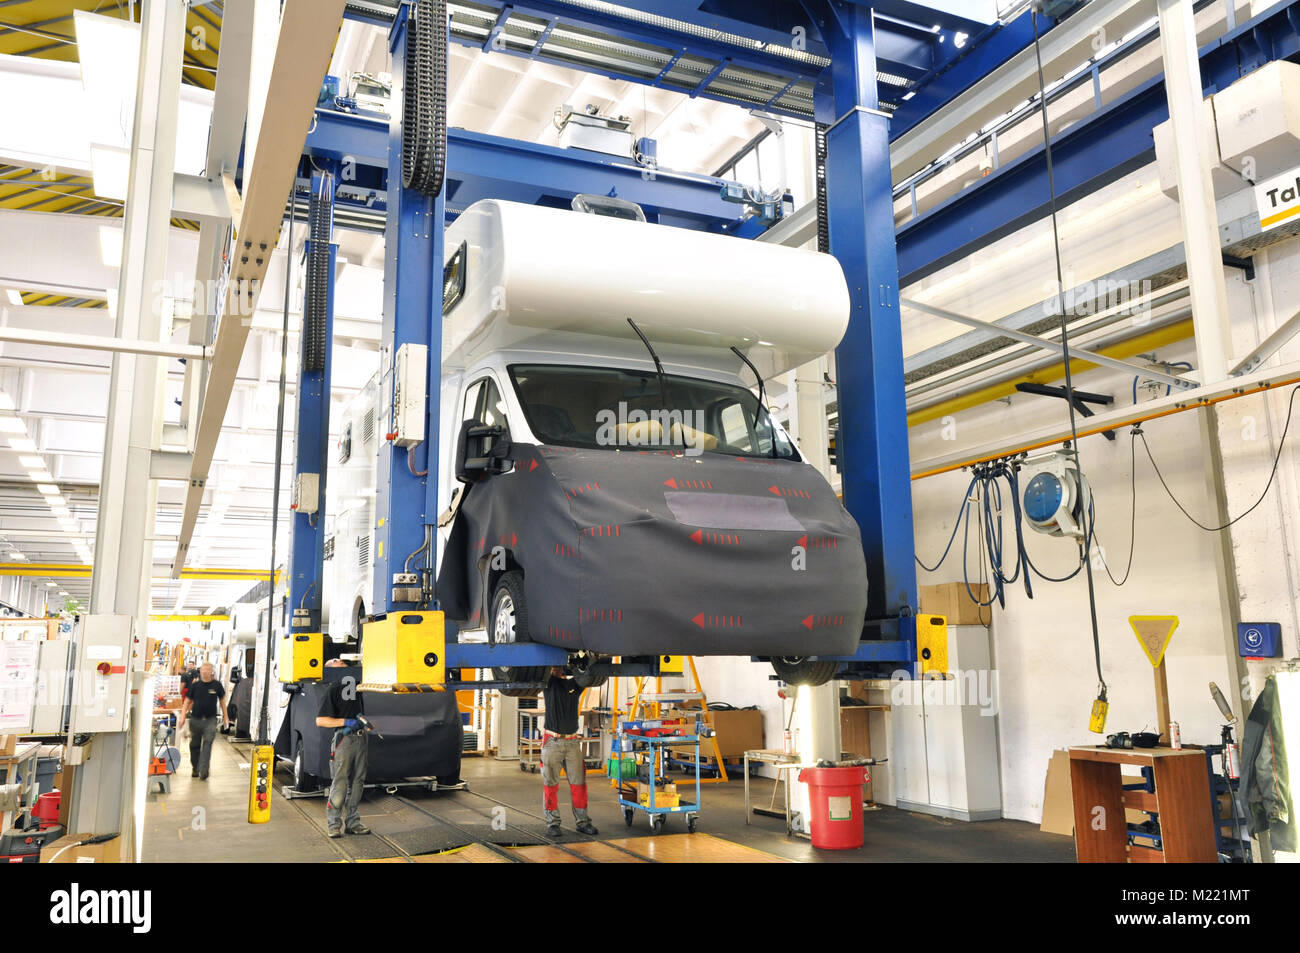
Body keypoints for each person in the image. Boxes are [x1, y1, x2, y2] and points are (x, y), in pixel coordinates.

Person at [315, 659, 371, 838]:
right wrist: (346, 722)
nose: (340, 660)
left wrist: (361, 720)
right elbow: (321, 720)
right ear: (330, 669)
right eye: (335, 661)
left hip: (361, 739)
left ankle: (353, 823)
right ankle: (333, 825)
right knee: (340, 783)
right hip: (344, 740)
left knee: (357, 783)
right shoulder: (333, 688)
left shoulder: (356, 684)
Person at [540, 668, 598, 838]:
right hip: (552, 742)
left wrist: (584, 664)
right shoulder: (548, 683)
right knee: (550, 785)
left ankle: (583, 822)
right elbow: (544, 671)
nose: (556, 669)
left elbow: (586, 676)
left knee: (579, 785)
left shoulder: (573, 685)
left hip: (572, 743)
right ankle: (553, 824)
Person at [177, 663, 228, 780]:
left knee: (207, 744)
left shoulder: (217, 685)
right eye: (203, 670)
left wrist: (226, 717)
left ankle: (204, 771)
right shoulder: (195, 686)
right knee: (194, 745)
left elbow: (222, 702)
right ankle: (195, 768)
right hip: (196, 720)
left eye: (207, 669)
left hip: (210, 720)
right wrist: (182, 716)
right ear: (200, 672)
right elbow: (187, 702)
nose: (204, 672)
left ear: (211, 672)